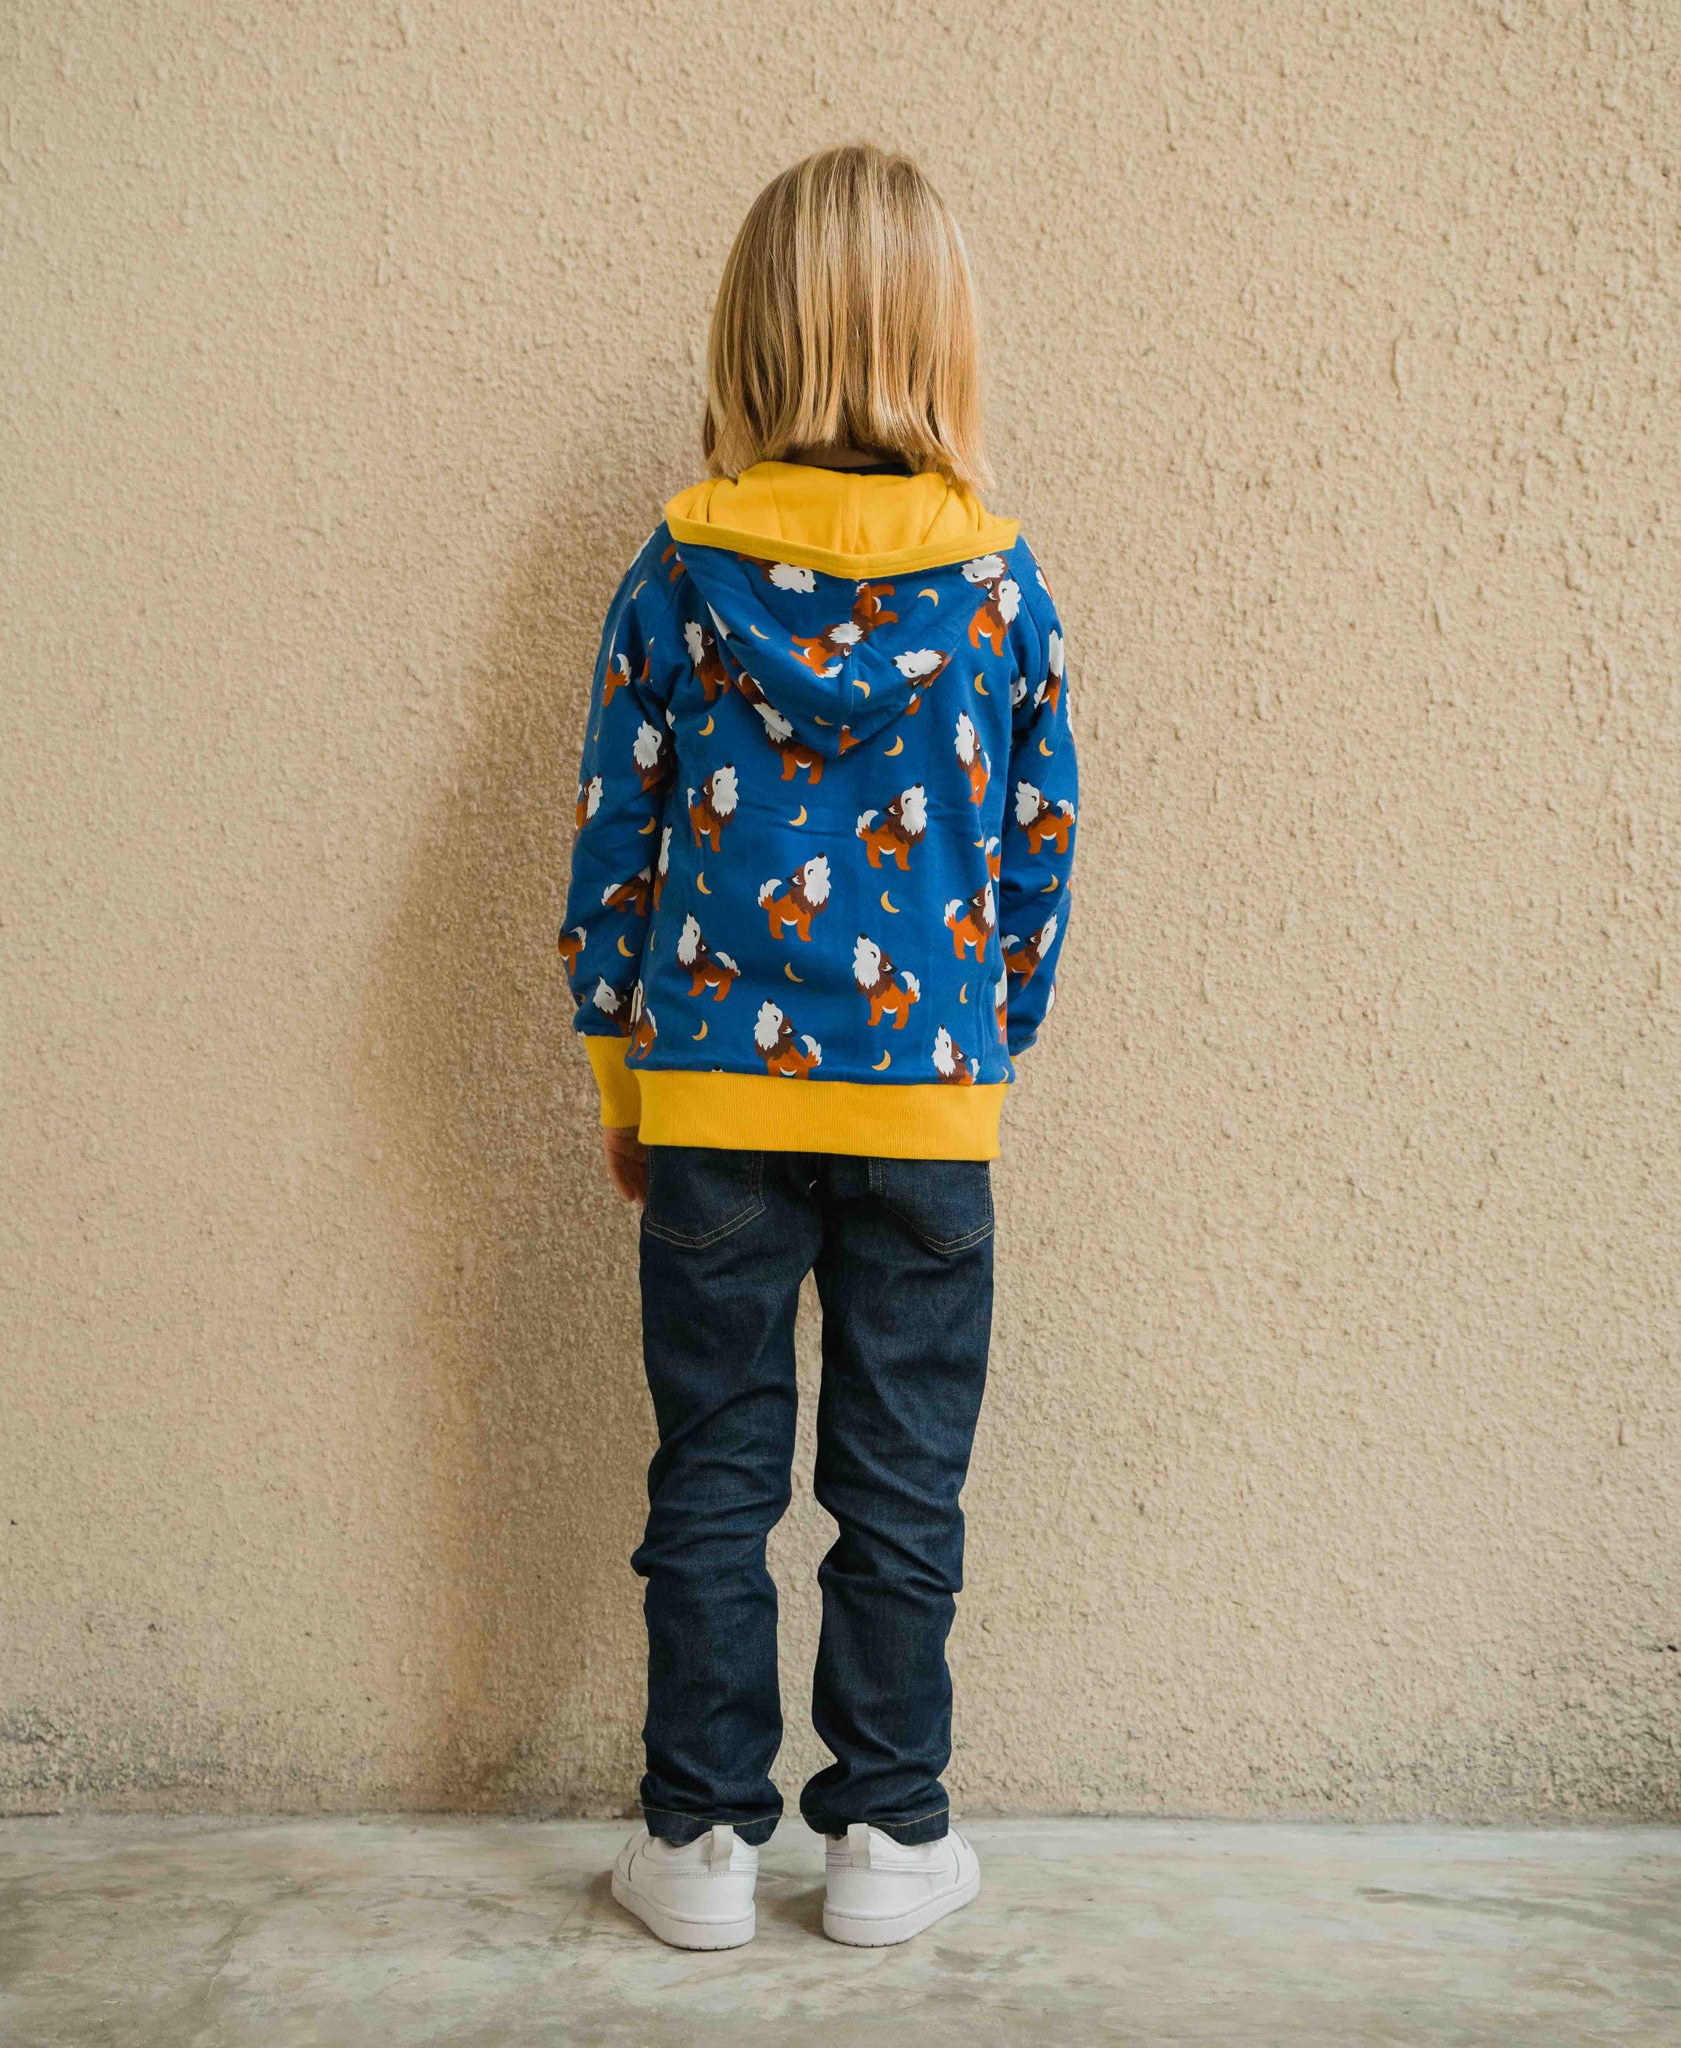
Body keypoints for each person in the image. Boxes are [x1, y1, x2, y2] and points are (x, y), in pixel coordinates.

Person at [557, 141, 1077, 1950]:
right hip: (927, 1110)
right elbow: (1038, 850)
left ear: (749, 339)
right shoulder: (999, 582)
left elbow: (613, 844)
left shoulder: (677, 570)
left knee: (712, 1469)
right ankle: (886, 1838)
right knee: (897, 1478)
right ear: (943, 341)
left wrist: (626, 1082)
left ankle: (699, 1844)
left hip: (708, 1098)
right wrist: (978, 1053)